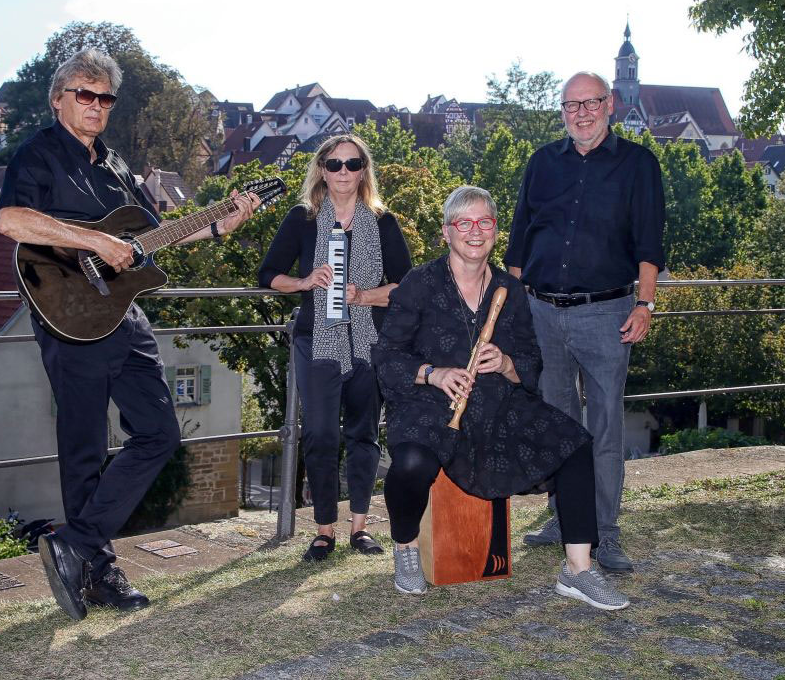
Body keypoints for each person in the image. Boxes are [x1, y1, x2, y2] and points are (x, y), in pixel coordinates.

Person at [0, 48, 258, 620]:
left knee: (159, 433)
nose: (95, 106)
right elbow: (11, 221)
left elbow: (154, 236)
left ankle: (77, 542)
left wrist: (219, 224)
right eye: (84, 95)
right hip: (67, 312)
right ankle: (100, 571)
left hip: (125, 317)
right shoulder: (37, 153)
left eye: (105, 97)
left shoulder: (115, 164)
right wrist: (94, 242)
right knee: (84, 450)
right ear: (59, 99)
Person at [374, 185, 629, 610]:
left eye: (485, 222)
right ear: (447, 232)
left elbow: (530, 362)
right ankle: (404, 548)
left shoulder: (510, 291)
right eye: (464, 223)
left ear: (495, 230)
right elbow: (386, 355)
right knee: (412, 464)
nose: (475, 232)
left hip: (497, 404)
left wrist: (507, 363)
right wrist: (434, 375)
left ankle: (578, 570)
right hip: (430, 404)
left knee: (574, 444)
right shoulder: (420, 283)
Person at [504, 71, 665, 573]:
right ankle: (563, 519)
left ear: (609, 104)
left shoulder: (638, 165)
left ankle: (607, 533)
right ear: (563, 112)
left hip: (608, 314)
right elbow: (519, 240)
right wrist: (513, 308)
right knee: (556, 423)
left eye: (590, 103)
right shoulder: (542, 163)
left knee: (605, 427)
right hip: (543, 312)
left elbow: (650, 245)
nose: (581, 113)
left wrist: (645, 305)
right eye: (571, 106)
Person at [259, 134, 411, 561]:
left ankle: (359, 527)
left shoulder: (383, 222)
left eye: (352, 163)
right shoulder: (302, 218)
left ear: (364, 170)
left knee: (363, 435)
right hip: (317, 342)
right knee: (321, 435)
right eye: (334, 163)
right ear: (321, 169)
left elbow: (406, 286)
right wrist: (305, 281)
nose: (343, 171)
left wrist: (363, 296)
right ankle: (323, 528)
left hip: (368, 343)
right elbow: (268, 273)